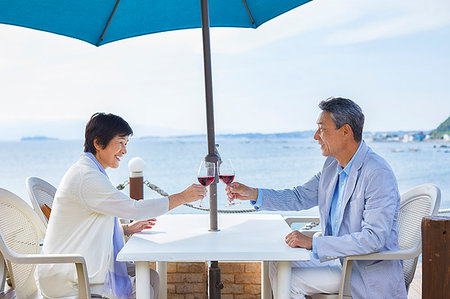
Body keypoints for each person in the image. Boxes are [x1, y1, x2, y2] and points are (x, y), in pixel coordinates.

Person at [226, 98, 408, 299]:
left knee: (289, 282)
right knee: (277, 263)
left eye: (322, 129)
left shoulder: (377, 173)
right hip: (338, 260)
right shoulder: (332, 166)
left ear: (345, 131)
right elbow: (298, 197)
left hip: (363, 273)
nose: (315, 136)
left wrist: (314, 242)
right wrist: (253, 193)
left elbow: (373, 238)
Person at [37, 113, 207, 299]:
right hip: (70, 278)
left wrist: (125, 229)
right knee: (144, 283)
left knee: (150, 277)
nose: (124, 151)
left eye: (126, 144)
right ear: (98, 143)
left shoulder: (89, 170)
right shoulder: (87, 177)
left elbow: (86, 223)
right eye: (120, 143)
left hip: (76, 267)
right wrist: (182, 197)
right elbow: (135, 209)